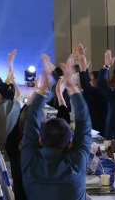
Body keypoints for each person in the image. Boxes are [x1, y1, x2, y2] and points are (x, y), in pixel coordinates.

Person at [21, 55, 91, 200]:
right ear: (70, 143)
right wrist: (72, 86)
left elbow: (31, 120)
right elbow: (84, 122)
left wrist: (44, 87)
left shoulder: (30, 163)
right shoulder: (77, 164)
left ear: (40, 140)